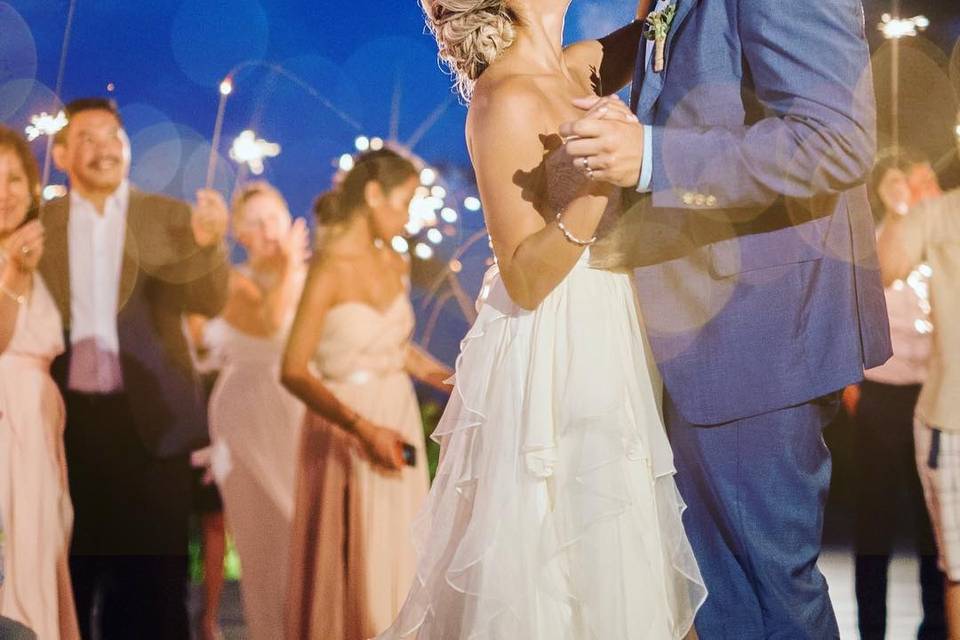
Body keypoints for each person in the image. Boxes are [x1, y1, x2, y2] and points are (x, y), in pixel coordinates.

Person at [557, 0, 889, 636]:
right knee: (724, 595)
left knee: (756, 600)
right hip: (713, 321)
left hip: (753, 332)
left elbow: (836, 141)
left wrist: (654, 157)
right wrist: (618, 49)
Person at [379, 1, 707, 637]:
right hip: (556, 342)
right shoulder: (501, 97)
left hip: (610, 325)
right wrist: (602, 187)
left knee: (618, 554)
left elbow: (660, 26)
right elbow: (525, 276)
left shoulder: (576, 69)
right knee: (563, 551)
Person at [39, 98, 230, 639]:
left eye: (113, 137)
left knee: (157, 589)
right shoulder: (42, 224)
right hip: (69, 428)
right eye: (87, 138)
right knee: (73, 580)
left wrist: (212, 246)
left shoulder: (167, 215)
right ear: (61, 153)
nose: (104, 148)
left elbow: (211, 301)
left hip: (155, 430)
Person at [281, 157, 453, 639]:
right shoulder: (329, 267)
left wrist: (453, 380)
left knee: (397, 552)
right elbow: (293, 369)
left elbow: (396, 348)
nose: (409, 215)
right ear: (374, 195)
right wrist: (362, 429)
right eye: (404, 203)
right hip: (344, 424)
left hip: (397, 412)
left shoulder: (395, 260)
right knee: (352, 562)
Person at [198, 182, 308, 640]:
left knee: (307, 538)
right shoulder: (233, 281)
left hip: (301, 410)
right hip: (247, 414)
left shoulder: (313, 276)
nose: (269, 231)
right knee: (268, 543)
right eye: (256, 223)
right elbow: (268, 326)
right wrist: (285, 270)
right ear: (240, 234)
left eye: (275, 219)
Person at [846, 154, 945, 640]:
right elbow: (878, 281)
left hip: (933, 395)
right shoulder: (877, 238)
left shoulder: (945, 233)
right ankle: (871, 632)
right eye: (894, 182)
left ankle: (938, 626)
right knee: (874, 524)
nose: (906, 188)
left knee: (936, 524)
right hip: (882, 397)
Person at [0, 126, 79, 639]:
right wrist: (12, 274)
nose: (3, 191)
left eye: (13, 178)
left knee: (42, 547)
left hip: (41, 428)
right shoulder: (17, 263)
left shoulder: (50, 251)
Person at [878, 165, 960, 638]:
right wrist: (900, 210)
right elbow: (886, 268)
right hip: (951, 423)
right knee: (958, 570)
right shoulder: (940, 213)